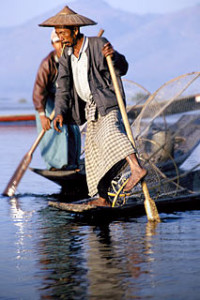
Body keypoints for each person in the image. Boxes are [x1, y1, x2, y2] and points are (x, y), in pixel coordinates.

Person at [39, 6, 147, 205]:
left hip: (108, 102)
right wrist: (60, 112)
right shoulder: (66, 55)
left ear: (75, 31)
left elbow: (123, 68)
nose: (61, 38)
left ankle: (136, 168)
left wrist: (113, 57)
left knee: (113, 133)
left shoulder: (99, 44)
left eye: (63, 33)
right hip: (90, 109)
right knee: (93, 154)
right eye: (58, 34)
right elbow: (63, 87)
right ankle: (103, 198)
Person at [32, 29, 81, 170]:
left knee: (72, 129)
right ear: (53, 45)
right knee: (53, 129)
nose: (61, 45)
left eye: (62, 41)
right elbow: (38, 91)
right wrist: (42, 115)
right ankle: (55, 165)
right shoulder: (48, 63)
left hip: (64, 99)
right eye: (58, 42)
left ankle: (72, 162)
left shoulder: (72, 57)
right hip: (47, 102)